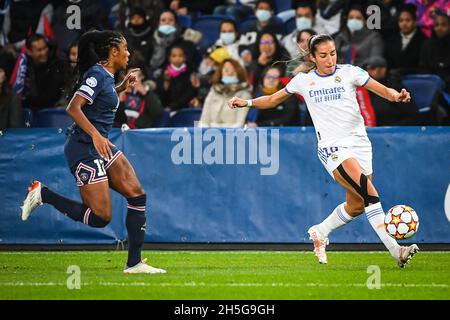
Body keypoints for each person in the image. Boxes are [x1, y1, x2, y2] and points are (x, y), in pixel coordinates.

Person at [228, 34, 419, 267]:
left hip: (359, 143)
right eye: (323, 55)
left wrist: (397, 96)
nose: (329, 59)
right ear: (312, 57)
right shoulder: (303, 80)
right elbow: (272, 100)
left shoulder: (350, 72)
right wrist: (246, 103)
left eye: (332, 53)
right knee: (370, 194)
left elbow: (383, 90)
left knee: (357, 205)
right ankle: (396, 250)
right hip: (333, 147)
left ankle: (320, 231)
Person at [20, 30, 166, 274]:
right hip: (85, 148)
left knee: (137, 195)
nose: (129, 53)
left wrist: (121, 86)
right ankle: (44, 194)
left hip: (102, 146)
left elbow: (100, 99)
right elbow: (73, 108)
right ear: (113, 52)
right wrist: (96, 135)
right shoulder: (97, 74)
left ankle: (134, 263)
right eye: (125, 49)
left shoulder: (107, 76)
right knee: (101, 217)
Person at [199, 58, 251, 128]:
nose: (228, 72)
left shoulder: (244, 94)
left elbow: (240, 123)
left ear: (238, 72)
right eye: (225, 69)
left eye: (232, 69)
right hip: (211, 133)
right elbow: (204, 120)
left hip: (233, 133)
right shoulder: (213, 92)